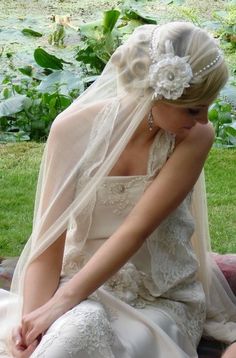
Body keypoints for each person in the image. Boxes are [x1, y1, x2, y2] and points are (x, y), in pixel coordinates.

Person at [0, 21, 235, 358]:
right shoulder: (72, 130)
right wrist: (33, 322)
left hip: (158, 298)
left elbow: (134, 232)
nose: (203, 119)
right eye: (193, 108)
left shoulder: (195, 137)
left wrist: (61, 305)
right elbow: (48, 242)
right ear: (155, 94)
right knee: (68, 333)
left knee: (83, 339)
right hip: (77, 282)